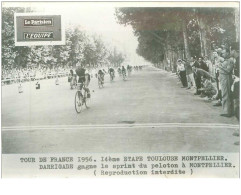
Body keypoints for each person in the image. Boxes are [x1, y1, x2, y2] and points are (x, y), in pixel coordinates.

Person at [219, 48, 234, 117]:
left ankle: (228, 112)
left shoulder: (230, 60)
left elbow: (228, 71)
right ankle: (226, 110)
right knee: (224, 94)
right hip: (223, 78)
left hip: (226, 78)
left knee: (226, 94)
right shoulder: (225, 60)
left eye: (224, 53)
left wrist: (220, 66)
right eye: (222, 53)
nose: (223, 54)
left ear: (228, 53)